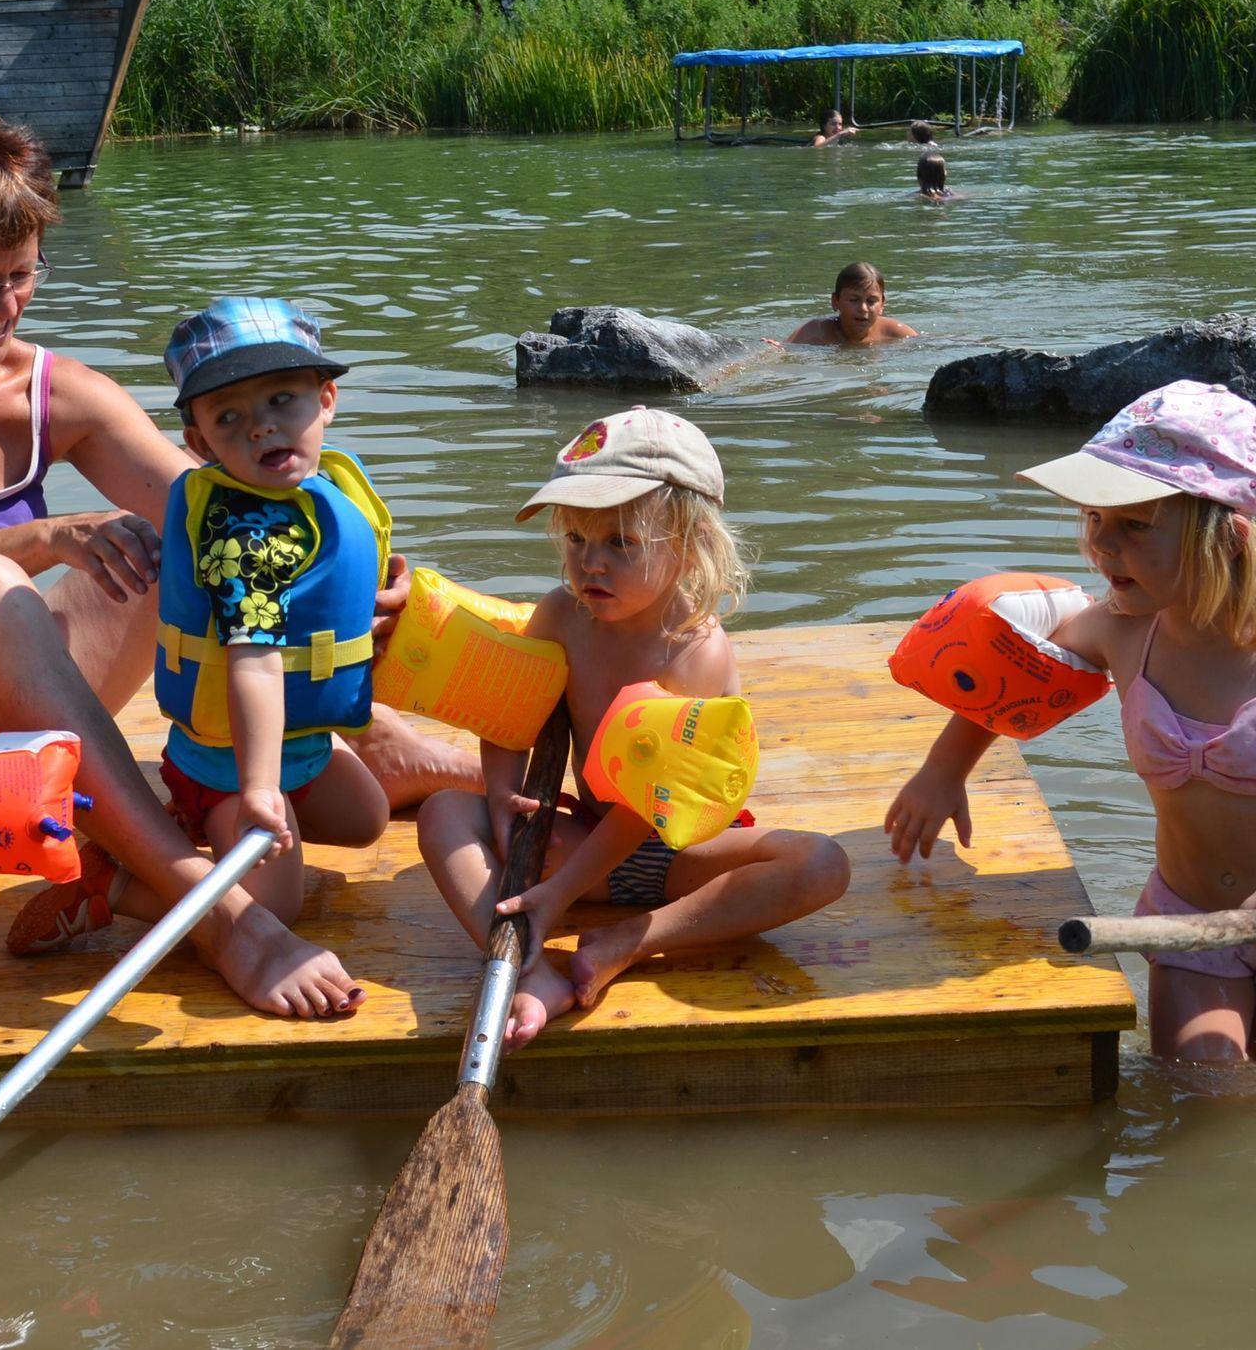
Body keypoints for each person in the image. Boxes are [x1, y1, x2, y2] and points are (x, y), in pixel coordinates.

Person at [0, 112, 473, 1019]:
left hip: (10, 707)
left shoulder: (53, 386)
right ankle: (229, 924)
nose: (4, 305)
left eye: (23, 275)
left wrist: (355, 584)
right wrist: (49, 537)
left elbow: (237, 515)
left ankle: (372, 739)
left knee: (180, 538)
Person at [416, 408, 850, 1045]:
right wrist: (505, 798)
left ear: (691, 543)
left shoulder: (694, 648)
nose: (590, 563)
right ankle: (521, 963)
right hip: (585, 839)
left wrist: (560, 892)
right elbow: (512, 711)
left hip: (679, 856)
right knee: (443, 813)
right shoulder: (562, 616)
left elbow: (647, 806)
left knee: (821, 863)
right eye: (576, 539)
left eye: (621, 543)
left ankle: (631, 941)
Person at [886, 381, 1256, 1063]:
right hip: (1189, 922)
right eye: (1093, 519)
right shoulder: (1123, 630)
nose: (1101, 545)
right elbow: (1013, 677)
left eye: (1134, 526)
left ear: (1227, 537)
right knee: (1200, 1088)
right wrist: (943, 771)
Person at [147, 298, 390, 924]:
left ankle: (207, 826)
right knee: (274, 912)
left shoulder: (327, 486)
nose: (261, 427)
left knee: (367, 820)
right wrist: (257, 790)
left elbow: (347, 575)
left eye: (282, 399)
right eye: (229, 417)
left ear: (326, 399)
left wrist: (399, 586)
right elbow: (253, 662)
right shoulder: (244, 535)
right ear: (199, 442)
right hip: (230, 765)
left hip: (302, 746)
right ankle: (120, 884)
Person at [787, 262, 917, 347]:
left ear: (882, 304)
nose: (863, 309)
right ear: (835, 301)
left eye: (871, 301)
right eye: (854, 300)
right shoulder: (816, 331)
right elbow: (784, 351)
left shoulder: (896, 333)